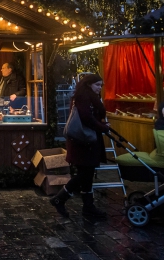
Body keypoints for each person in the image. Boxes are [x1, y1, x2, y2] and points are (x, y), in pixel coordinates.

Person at [49, 73, 109, 219]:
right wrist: (102, 127)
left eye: (101, 85)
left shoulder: (86, 96)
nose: (99, 88)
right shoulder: (84, 97)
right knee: (84, 174)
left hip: (86, 140)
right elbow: (87, 118)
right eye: (97, 85)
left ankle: (88, 207)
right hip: (83, 141)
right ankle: (59, 198)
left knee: (87, 175)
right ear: (89, 84)